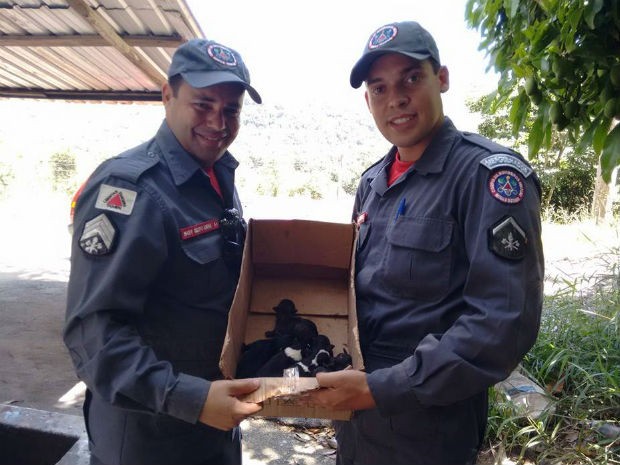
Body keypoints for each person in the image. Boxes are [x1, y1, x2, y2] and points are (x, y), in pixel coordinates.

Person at [306, 21, 544, 465]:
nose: (395, 98)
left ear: (443, 78)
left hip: (429, 427)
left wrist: (384, 388)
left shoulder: (488, 177)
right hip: (357, 421)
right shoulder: (372, 183)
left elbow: (502, 322)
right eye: (379, 88)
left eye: (411, 79)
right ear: (367, 100)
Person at [63, 38, 264, 465]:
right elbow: (94, 336)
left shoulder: (217, 177)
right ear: (168, 95)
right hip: (149, 436)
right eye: (203, 103)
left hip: (212, 422)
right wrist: (189, 398)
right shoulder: (131, 190)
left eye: (231, 109)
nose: (218, 121)